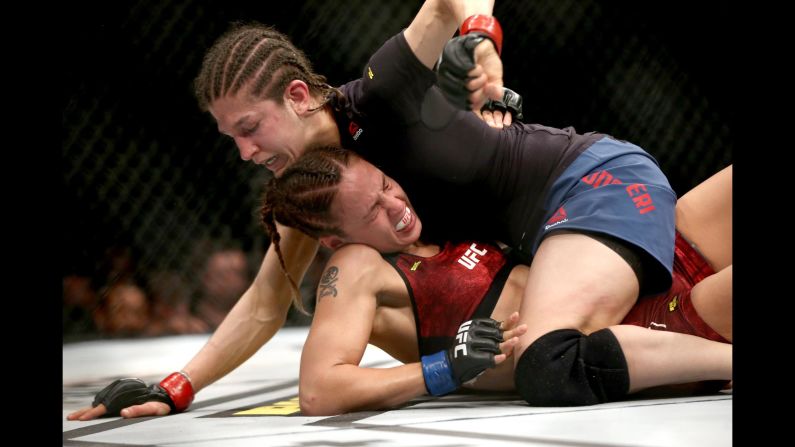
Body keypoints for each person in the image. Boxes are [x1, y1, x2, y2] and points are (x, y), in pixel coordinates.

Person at [68, 0, 729, 420]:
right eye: (230, 139)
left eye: (249, 129)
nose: (243, 153)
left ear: (298, 96)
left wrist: (482, 36)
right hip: (562, 233)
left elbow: (445, 2)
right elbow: (267, 301)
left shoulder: (383, 93)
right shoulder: (312, 197)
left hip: (584, 183)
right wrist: (178, 384)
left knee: (550, 359)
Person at [259, 147, 730, 415]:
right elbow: (320, 390)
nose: (396, 206)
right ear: (334, 239)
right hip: (636, 335)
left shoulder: (432, 217)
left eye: (385, 185)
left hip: (642, 255)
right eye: (372, 212)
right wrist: (444, 369)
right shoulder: (358, 265)